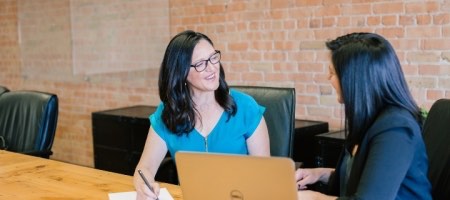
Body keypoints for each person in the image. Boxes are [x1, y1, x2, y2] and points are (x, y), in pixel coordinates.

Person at [133, 30, 270, 199]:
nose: (212, 68)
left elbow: (264, 176)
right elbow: (144, 168)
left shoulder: (246, 107)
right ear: (181, 72)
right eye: (200, 64)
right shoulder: (168, 113)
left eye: (213, 58)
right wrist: (143, 186)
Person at [296, 33, 432, 200]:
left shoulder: (396, 129)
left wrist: (312, 198)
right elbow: (362, 176)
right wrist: (320, 174)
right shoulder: (369, 118)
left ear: (354, 78)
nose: (328, 78)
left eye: (332, 72)